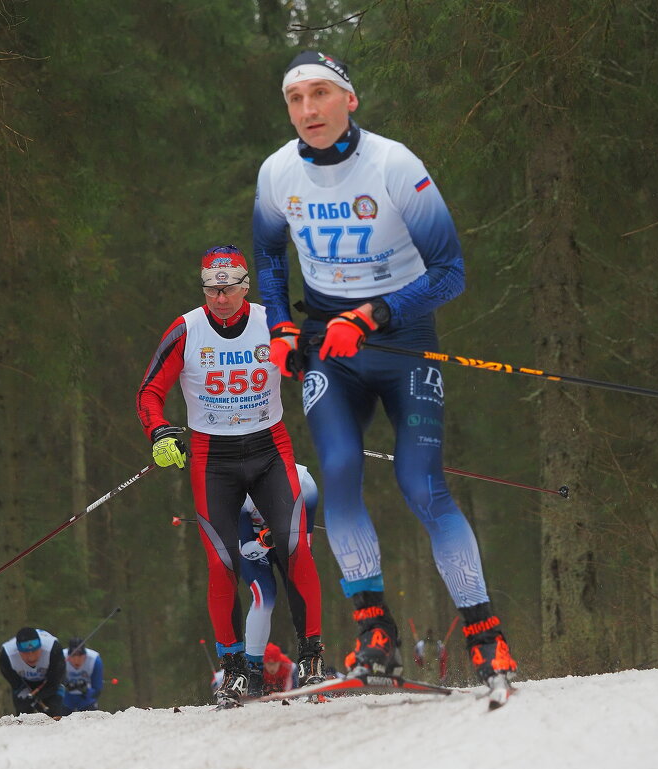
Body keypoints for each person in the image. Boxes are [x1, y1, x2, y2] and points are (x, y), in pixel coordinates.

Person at [252, 51, 518, 694]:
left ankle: (486, 636)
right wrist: (282, 326)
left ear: (351, 101)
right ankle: (375, 630)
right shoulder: (277, 172)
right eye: (296, 100)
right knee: (338, 470)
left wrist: (374, 314)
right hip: (328, 348)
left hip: (402, 342)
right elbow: (266, 254)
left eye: (321, 94)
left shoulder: (395, 165)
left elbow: (450, 273)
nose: (309, 111)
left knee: (420, 483)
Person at [136, 245, 325, 707]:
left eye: (228, 289)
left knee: (294, 544)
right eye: (211, 290)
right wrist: (160, 431)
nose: (219, 298)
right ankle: (235, 669)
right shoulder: (187, 329)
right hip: (212, 459)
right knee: (222, 564)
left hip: (269, 450)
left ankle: (312, 659)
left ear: (245, 286)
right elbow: (150, 391)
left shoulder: (269, 322)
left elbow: (314, 368)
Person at [238, 463, 319, 696]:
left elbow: (306, 545)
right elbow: (246, 550)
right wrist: (265, 541)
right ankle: (253, 672)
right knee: (265, 595)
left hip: (289, 539)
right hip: (254, 543)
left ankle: (311, 660)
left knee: (299, 587)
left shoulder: (306, 485)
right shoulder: (242, 491)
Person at [0, 626, 68, 717]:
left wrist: (41, 695)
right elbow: (14, 682)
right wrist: (26, 695)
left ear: (41, 647)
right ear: (18, 651)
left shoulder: (53, 649)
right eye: (25, 653)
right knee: (23, 712)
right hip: (24, 682)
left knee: (54, 709)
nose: (31, 657)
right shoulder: (7, 655)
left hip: (50, 680)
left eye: (35, 651)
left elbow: (55, 680)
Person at [63, 638, 104, 712]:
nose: (77, 660)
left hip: (86, 699)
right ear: (68, 657)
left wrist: (86, 690)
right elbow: (54, 684)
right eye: (73, 656)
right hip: (66, 698)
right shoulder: (61, 658)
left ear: (85, 655)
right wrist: (65, 685)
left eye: (80, 656)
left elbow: (97, 689)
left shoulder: (95, 660)